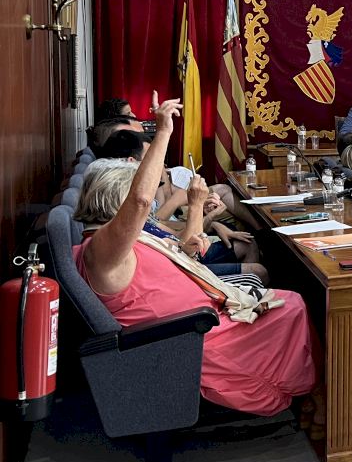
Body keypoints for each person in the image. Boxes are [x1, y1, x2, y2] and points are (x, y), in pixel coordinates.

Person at [73, 92, 320, 419]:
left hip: (204, 318)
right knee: (293, 305)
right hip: (193, 337)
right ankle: (314, 397)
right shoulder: (103, 250)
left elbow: (175, 249)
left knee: (290, 302)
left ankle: (309, 393)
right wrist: (164, 131)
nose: (144, 208)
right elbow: (140, 202)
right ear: (115, 202)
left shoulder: (109, 243)